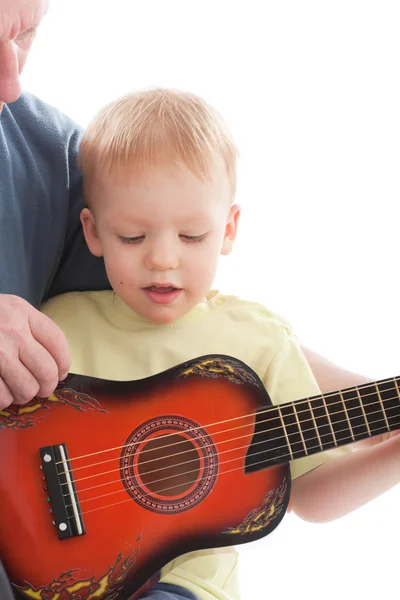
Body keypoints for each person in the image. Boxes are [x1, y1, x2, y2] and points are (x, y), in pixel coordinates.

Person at [33, 88, 399, 600]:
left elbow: (312, 494)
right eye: (133, 238)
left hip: (184, 587)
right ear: (92, 233)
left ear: (227, 229)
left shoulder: (260, 342)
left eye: (191, 237)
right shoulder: (59, 324)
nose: (162, 259)